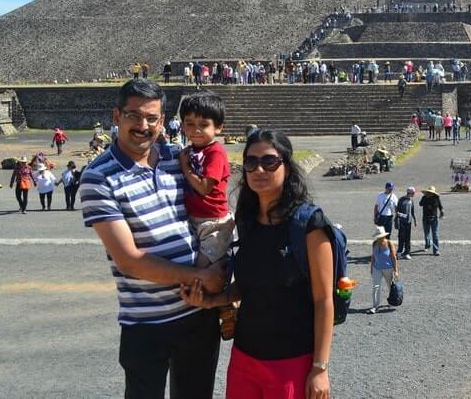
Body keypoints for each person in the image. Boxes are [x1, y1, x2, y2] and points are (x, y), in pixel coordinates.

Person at [80, 79, 225, 398]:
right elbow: (130, 260)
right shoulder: (98, 178)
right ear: (116, 116)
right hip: (146, 322)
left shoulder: (178, 159)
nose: (142, 126)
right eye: (134, 116)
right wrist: (202, 275)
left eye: (152, 118)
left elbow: (215, 206)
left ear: (163, 121)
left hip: (198, 314)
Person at [180, 128, 334, 399]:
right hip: (244, 359)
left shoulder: (309, 224)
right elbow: (252, 284)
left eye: (269, 161)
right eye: (251, 162)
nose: (259, 169)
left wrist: (320, 368)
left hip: (292, 361)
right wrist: (212, 301)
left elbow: (324, 300)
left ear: (286, 166)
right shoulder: (246, 220)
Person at [178, 91, 235, 268]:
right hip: (194, 218)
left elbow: (204, 188)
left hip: (214, 223)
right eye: (190, 124)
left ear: (218, 127)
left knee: (202, 269)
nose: (196, 130)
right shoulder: (191, 150)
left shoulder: (215, 152)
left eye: (203, 125)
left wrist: (185, 167)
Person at [369, 227, 399, 314]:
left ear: (383, 236)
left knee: (390, 286)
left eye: (380, 237)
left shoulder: (389, 244)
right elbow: (373, 256)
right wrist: (371, 268)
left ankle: (392, 302)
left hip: (388, 269)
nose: (378, 239)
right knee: (376, 287)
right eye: (377, 237)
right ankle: (375, 306)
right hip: (376, 268)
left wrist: (395, 270)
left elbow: (394, 257)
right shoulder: (374, 244)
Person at [420, 186, 444, 255]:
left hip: (434, 219)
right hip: (425, 218)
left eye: (431, 193)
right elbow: (420, 204)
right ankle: (427, 245)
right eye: (429, 192)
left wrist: (442, 212)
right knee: (426, 233)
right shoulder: (424, 197)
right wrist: (425, 198)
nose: (430, 193)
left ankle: (436, 250)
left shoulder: (436, 198)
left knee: (435, 235)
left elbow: (440, 206)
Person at [395, 187, 416, 259]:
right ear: (409, 193)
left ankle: (407, 252)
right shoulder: (401, 200)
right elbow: (397, 212)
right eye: (413, 193)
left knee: (408, 238)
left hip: (409, 222)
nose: (414, 194)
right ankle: (399, 252)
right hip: (402, 222)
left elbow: (412, 211)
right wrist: (404, 216)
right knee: (401, 237)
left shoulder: (411, 200)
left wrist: (415, 220)